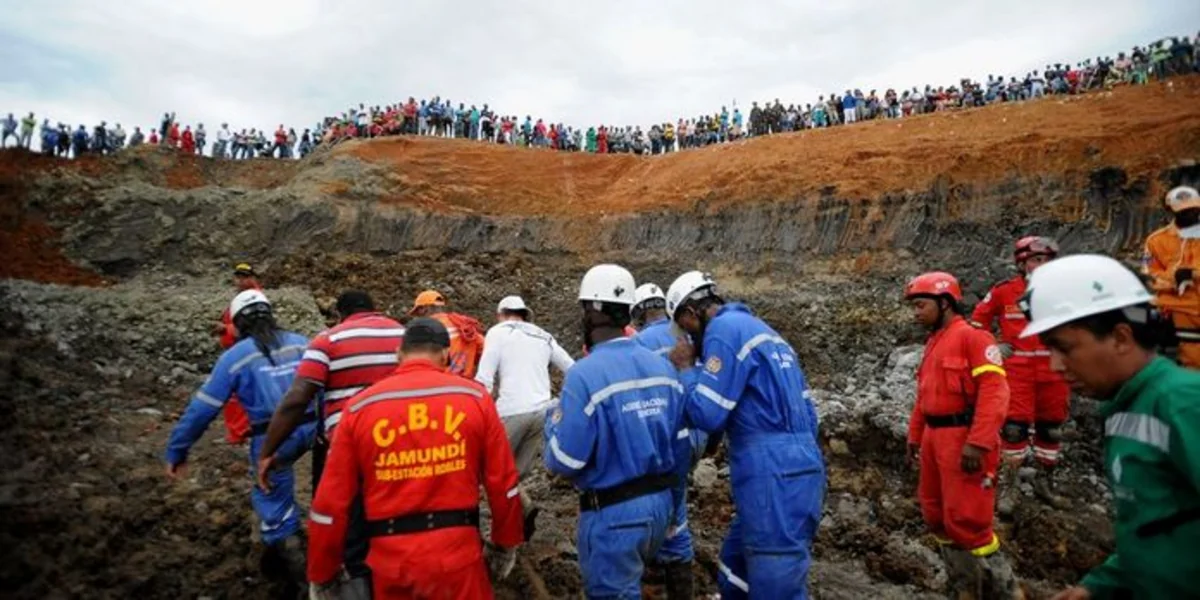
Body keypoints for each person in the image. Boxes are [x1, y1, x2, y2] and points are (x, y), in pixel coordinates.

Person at [1020, 255, 1200, 600]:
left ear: (1120, 337)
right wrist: (1098, 587)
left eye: (1064, 348)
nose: (1055, 366)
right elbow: (1155, 527)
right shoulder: (1121, 408)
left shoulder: (1184, 404)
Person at [307, 318, 524, 600]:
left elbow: (329, 504)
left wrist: (323, 574)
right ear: (445, 354)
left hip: (392, 568)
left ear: (399, 353)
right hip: (458, 562)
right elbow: (504, 484)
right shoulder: (474, 398)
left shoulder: (359, 408)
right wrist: (505, 544)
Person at [665, 271, 825, 599]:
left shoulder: (723, 331)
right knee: (734, 569)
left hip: (771, 471)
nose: (688, 338)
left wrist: (686, 369)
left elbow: (707, 414)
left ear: (689, 315)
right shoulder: (767, 333)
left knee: (775, 581)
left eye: (685, 329)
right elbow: (810, 415)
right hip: (799, 462)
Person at [545, 264, 683, 598]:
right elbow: (679, 446)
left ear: (592, 312)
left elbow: (565, 461)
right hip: (661, 508)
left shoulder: (584, 375)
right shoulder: (662, 367)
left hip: (614, 517)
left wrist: (552, 423)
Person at [164, 290, 315, 590]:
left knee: (273, 501)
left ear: (238, 322)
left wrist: (177, 450)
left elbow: (203, 408)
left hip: (273, 438)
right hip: (314, 428)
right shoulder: (301, 343)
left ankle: (295, 575)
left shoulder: (235, 357)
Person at [259, 289, 405, 597]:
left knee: (352, 529)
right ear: (374, 308)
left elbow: (297, 400)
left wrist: (268, 450)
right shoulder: (404, 335)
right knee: (398, 522)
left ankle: (359, 584)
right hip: (404, 446)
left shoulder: (328, 340)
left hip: (352, 449)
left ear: (340, 314)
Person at [904, 271, 1019, 598]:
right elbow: (924, 396)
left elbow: (995, 392)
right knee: (935, 514)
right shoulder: (933, 343)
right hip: (934, 438)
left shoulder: (974, 338)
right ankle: (963, 588)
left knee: (968, 520)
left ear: (944, 303)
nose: (916, 313)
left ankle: (1004, 591)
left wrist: (979, 442)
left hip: (963, 438)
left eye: (921, 305)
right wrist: (915, 437)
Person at [972, 236, 1072, 516]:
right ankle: (1010, 485)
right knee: (1014, 429)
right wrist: (993, 343)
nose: (1042, 266)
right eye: (1036, 260)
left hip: (1056, 373)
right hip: (1017, 373)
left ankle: (1044, 483)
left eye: (1047, 261)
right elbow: (977, 322)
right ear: (1022, 263)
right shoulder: (1005, 292)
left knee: (1051, 429)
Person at [474, 295, 574, 540]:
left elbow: (484, 379)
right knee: (514, 476)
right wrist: (561, 404)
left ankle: (507, 532)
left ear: (501, 314)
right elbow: (572, 369)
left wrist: (477, 416)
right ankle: (518, 523)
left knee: (491, 472)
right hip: (542, 413)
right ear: (524, 313)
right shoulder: (543, 335)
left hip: (511, 412)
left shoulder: (497, 333)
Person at [632, 281, 706, 599]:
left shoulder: (640, 343)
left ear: (637, 313)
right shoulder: (689, 335)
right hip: (696, 434)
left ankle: (657, 568)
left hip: (665, 439)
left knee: (659, 508)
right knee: (678, 509)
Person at [1143, 185, 1200, 369]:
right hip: (1177, 307)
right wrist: (1174, 279)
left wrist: (1193, 274)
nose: (1191, 215)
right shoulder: (1157, 240)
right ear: (1171, 211)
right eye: (1184, 212)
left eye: (1194, 210)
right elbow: (1150, 274)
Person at [212, 263, 260, 444]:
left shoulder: (253, 299)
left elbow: (253, 326)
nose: (240, 281)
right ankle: (242, 431)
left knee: (236, 395)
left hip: (243, 351)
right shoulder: (242, 298)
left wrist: (226, 328)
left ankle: (238, 434)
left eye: (244, 277)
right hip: (237, 349)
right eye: (238, 277)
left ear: (253, 278)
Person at [409, 290, 485, 378]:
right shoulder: (464, 325)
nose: (417, 317)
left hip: (440, 383)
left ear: (423, 309)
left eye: (417, 312)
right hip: (465, 384)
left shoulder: (424, 329)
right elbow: (483, 349)